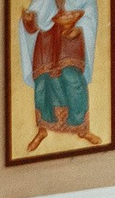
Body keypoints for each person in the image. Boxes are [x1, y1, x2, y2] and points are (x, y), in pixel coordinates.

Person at [19, 2, 101, 151]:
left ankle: (81, 128)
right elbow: (35, 17)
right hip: (46, 42)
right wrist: (29, 20)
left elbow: (89, 11)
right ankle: (42, 128)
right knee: (42, 81)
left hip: (70, 40)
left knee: (72, 78)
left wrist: (79, 27)